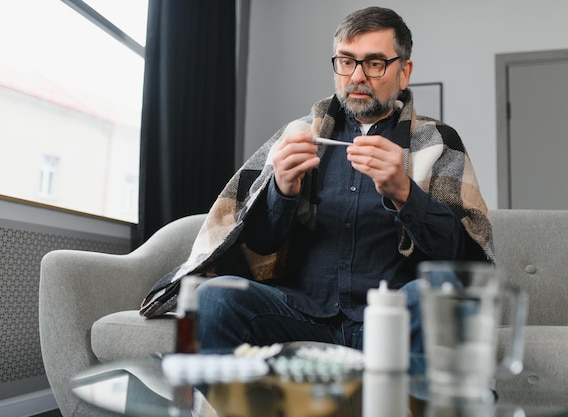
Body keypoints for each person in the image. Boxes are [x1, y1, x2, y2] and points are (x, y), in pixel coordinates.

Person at [140, 7, 493, 360]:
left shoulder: (435, 142)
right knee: (214, 297)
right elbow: (258, 245)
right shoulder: (298, 134)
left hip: (392, 313)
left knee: (436, 295)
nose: (357, 76)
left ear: (404, 72)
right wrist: (282, 189)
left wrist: (405, 193)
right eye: (346, 61)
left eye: (374, 63)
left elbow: (462, 257)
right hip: (299, 309)